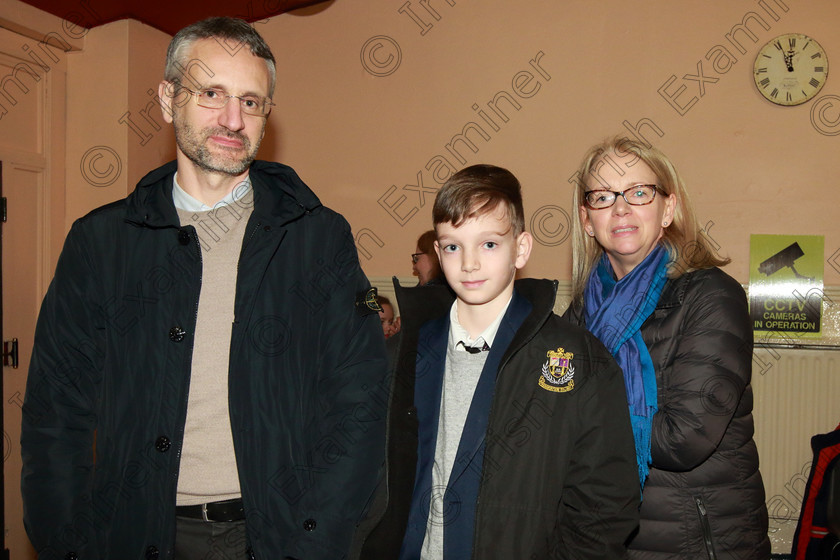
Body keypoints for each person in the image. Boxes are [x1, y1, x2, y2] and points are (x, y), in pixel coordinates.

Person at [21, 17, 387, 560]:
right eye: (211, 93)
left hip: (275, 535)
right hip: (136, 533)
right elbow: (56, 411)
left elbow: (358, 403)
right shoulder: (102, 243)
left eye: (251, 101)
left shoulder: (317, 238)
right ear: (169, 100)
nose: (232, 119)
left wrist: (319, 537)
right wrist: (68, 542)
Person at [354, 164, 640, 559]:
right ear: (438, 252)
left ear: (521, 249)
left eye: (489, 244)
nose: (469, 263)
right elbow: (361, 476)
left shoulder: (579, 361)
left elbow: (605, 508)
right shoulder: (401, 354)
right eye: (453, 246)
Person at [564, 136, 770, 558]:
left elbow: (682, 439)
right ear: (587, 219)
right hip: (606, 530)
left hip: (696, 537)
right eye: (603, 197)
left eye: (639, 193)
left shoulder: (712, 296)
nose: (620, 209)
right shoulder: (584, 308)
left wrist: (573, 416)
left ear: (668, 208)